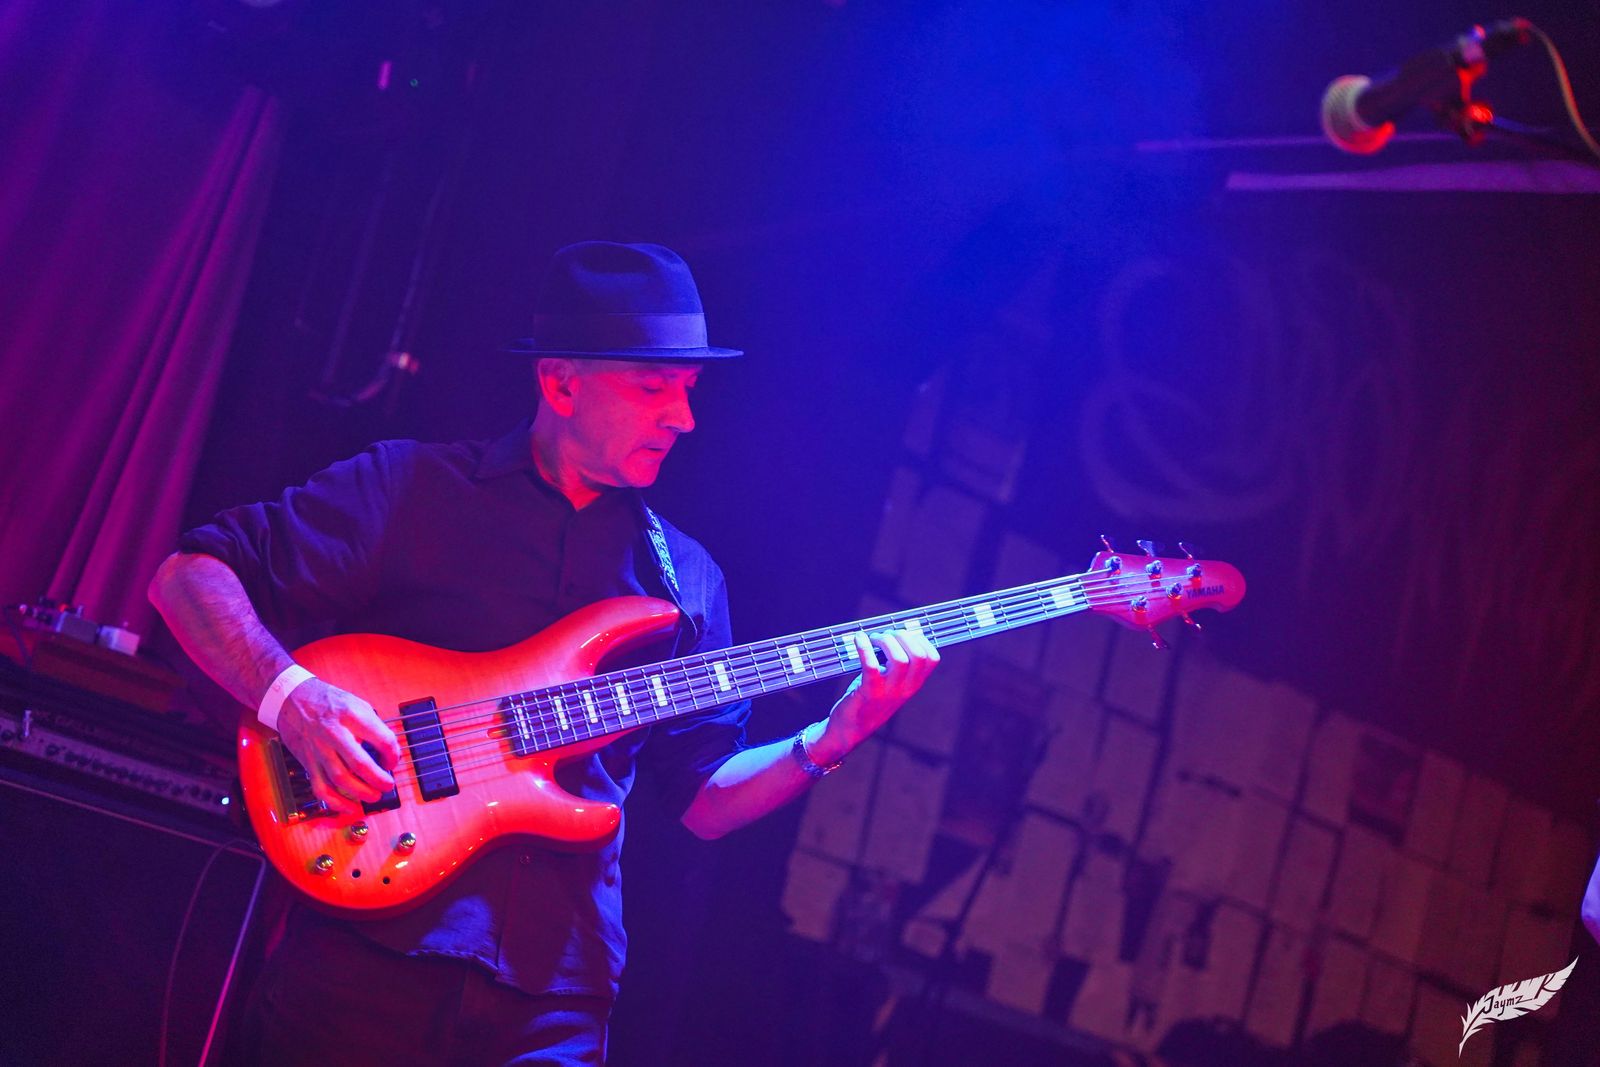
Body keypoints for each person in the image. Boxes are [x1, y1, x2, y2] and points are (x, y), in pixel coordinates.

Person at [148, 241, 940, 1065]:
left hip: (553, 1001)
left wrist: (835, 735)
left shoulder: (688, 581)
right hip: (363, 960)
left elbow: (705, 798)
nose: (683, 417)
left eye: (689, 389)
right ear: (561, 383)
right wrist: (293, 699)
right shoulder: (411, 490)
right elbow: (188, 578)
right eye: (654, 387)